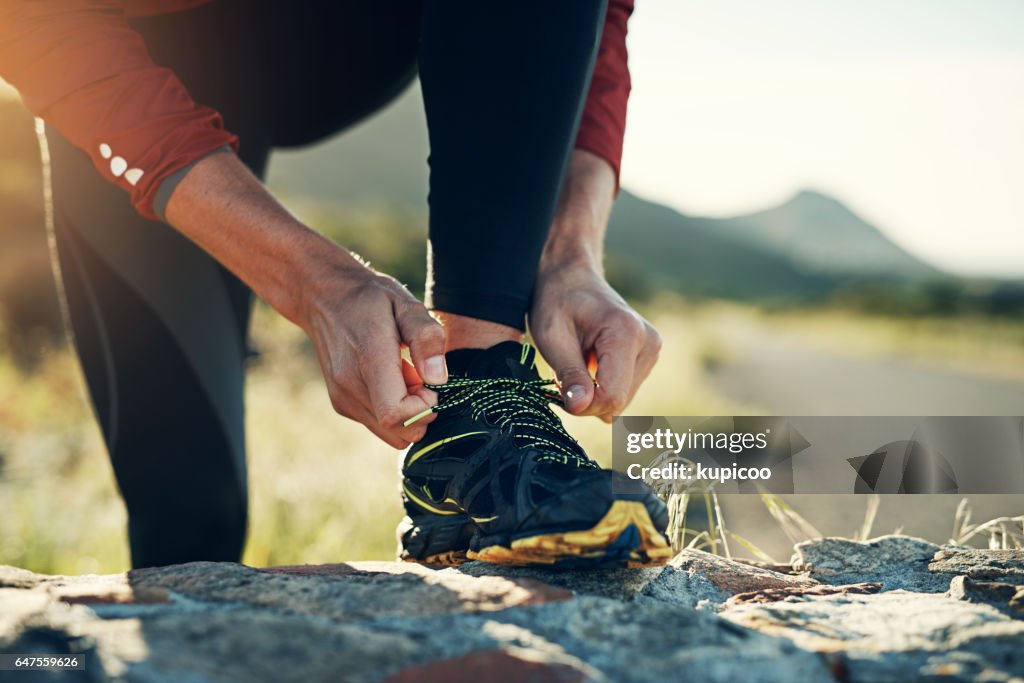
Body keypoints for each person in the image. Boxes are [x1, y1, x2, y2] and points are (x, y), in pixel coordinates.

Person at [0, 0, 668, 569]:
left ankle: (474, 418)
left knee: (477, 401)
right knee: (188, 514)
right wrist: (311, 280)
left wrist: (569, 247)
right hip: (130, 50)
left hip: (357, 33)